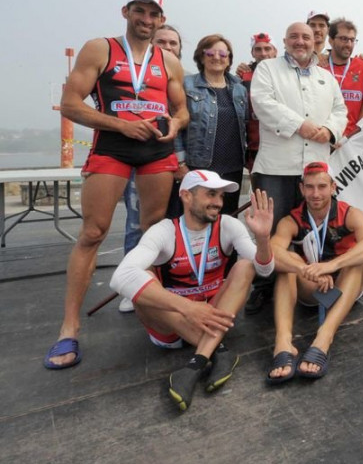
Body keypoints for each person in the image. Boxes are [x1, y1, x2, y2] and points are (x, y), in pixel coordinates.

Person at [45, 0, 187, 369]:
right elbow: (72, 104)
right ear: (126, 11)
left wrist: (175, 123)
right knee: (94, 233)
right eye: (139, 11)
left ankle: (153, 312)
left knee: (153, 232)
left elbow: (181, 110)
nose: (146, 18)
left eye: (153, 13)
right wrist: (120, 127)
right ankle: (69, 328)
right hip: (112, 147)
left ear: (161, 18)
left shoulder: (168, 60)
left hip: (157, 151)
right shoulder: (99, 48)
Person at [109, 170, 274, 411]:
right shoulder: (164, 230)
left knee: (245, 267)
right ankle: (220, 351)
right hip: (173, 324)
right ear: (186, 196)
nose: (218, 202)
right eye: (210, 194)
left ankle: (196, 364)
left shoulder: (227, 224)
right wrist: (188, 308)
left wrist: (263, 238)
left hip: (213, 316)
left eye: (220, 195)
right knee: (142, 278)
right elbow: (120, 278)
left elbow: (265, 270)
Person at [245, 22, 347, 314]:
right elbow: (262, 103)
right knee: (269, 231)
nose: (300, 42)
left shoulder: (326, 77)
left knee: (312, 229)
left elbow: (341, 110)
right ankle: (264, 288)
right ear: (285, 41)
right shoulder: (267, 69)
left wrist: (329, 130)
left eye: (306, 37)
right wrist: (299, 125)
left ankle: (313, 283)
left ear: (316, 40)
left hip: (315, 169)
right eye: (294, 37)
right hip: (276, 166)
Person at [267, 162, 363, 382]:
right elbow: (272, 251)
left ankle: (323, 338)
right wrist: (304, 268)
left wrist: (331, 266)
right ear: (301, 189)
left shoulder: (350, 213)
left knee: (357, 260)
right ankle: (282, 342)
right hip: (312, 285)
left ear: (333, 187)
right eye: (309, 187)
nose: (315, 193)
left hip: (345, 284)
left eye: (321, 186)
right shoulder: (292, 219)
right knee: (286, 262)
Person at [120, 24, 184, 313]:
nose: (168, 47)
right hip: (142, 158)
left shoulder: (185, 81)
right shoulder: (138, 78)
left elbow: (184, 122)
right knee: (138, 223)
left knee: (170, 225)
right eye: (163, 42)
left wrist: (183, 160)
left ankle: (170, 280)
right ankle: (132, 284)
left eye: (173, 43)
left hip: (178, 162)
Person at [174, 34, 248, 217]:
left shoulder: (240, 88)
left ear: (229, 58)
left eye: (223, 54)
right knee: (195, 218)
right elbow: (175, 125)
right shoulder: (186, 85)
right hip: (198, 167)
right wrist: (180, 162)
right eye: (210, 53)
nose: (217, 57)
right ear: (201, 56)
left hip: (232, 168)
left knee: (227, 219)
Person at [319, 18, 363, 136]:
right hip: (322, 136)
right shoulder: (318, 66)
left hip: (350, 139)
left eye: (352, 40)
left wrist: (357, 133)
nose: (348, 44)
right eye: (343, 39)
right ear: (331, 40)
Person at [240, 32, 278, 173]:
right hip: (255, 148)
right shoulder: (244, 77)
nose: (263, 53)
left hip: (281, 147)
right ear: (252, 53)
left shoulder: (287, 74)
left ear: (275, 51)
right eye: (258, 49)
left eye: (267, 49)